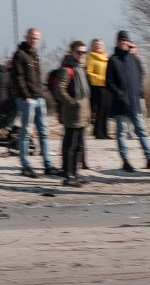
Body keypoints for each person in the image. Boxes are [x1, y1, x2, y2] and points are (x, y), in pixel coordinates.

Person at [105, 30, 150, 173]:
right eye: (121, 40)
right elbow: (109, 82)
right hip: (120, 104)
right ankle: (125, 161)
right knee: (121, 133)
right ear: (117, 42)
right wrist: (120, 94)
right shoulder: (113, 60)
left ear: (129, 42)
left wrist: (137, 91)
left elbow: (141, 74)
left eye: (125, 40)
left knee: (141, 131)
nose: (123, 42)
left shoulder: (133, 58)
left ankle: (149, 159)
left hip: (134, 102)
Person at [10, 27, 61, 178]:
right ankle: (26, 166)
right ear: (26, 37)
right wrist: (26, 95)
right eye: (32, 37)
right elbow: (18, 77)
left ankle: (48, 165)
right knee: (26, 133)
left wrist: (41, 93)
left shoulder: (35, 55)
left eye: (37, 38)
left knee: (43, 132)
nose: (35, 40)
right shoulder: (20, 54)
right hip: (27, 99)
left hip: (39, 97)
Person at [53, 40, 92, 187]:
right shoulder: (67, 70)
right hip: (72, 114)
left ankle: (75, 173)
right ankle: (68, 175)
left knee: (79, 146)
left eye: (84, 52)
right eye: (78, 52)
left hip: (83, 114)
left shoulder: (82, 69)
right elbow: (59, 90)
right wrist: (71, 102)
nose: (81, 55)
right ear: (72, 52)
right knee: (71, 145)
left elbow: (86, 94)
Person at [86, 38, 110, 139]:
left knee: (106, 110)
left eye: (100, 45)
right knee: (99, 110)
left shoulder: (106, 58)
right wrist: (100, 78)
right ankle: (98, 132)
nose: (98, 46)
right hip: (96, 86)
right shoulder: (91, 57)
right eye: (96, 45)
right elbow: (88, 72)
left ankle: (105, 131)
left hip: (106, 86)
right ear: (92, 47)